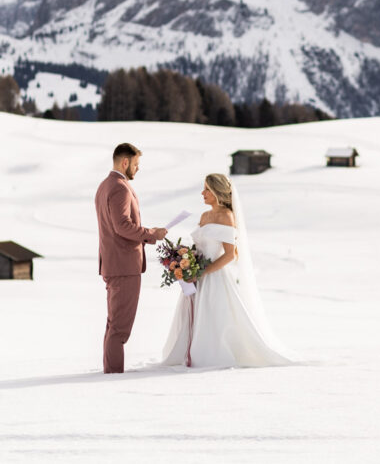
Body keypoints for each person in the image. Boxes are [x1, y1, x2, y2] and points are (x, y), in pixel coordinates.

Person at [162, 173, 294, 368]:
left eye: (207, 189)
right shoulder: (204, 216)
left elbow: (230, 255)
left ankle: (210, 355)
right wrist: (183, 260)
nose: (202, 193)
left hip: (214, 278)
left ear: (217, 192)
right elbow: (200, 248)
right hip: (196, 277)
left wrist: (203, 272)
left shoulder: (226, 216)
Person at [95, 143, 167, 373]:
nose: (138, 169)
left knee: (114, 324)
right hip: (124, 265)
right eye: (136, 164)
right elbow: (122, 226)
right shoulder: (120, 188)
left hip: (113, 263)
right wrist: (151, 234)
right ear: (124, 162)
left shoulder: (104, 186)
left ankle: (110, 370)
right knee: (120, 329)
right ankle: (113, 375)